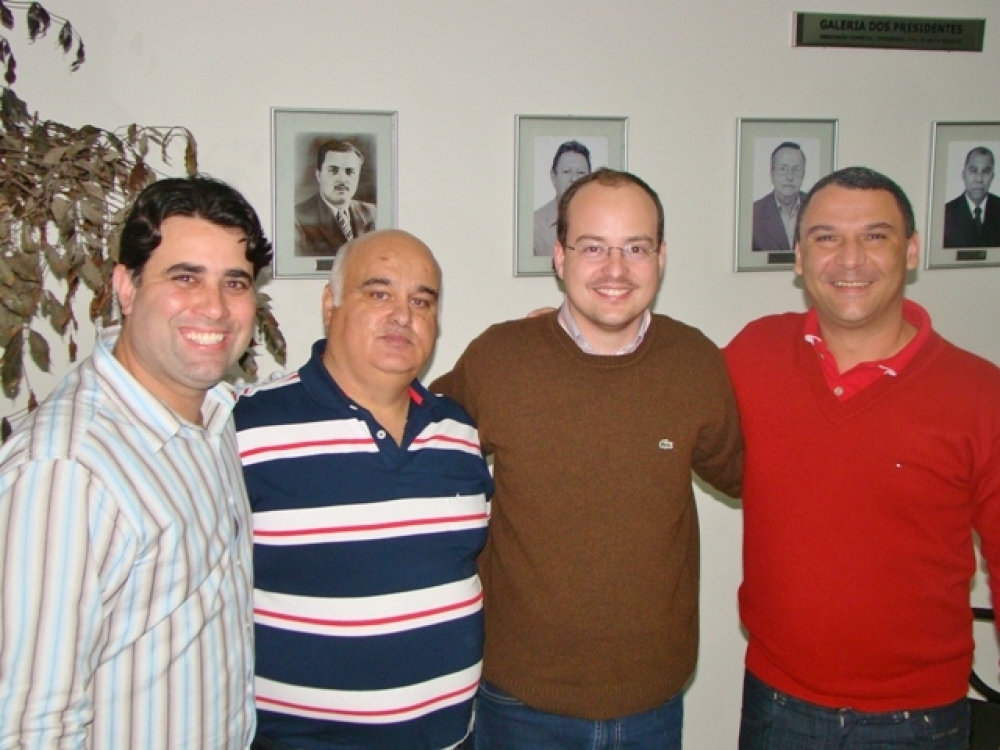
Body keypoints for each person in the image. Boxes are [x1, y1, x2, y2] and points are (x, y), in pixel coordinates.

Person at [433, 168, 744, 749]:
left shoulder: (695, 363)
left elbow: (751, 473)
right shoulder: (502, 360)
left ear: (661, 258)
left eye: (636, 248)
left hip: (653, 697)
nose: (615, 270)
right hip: (520, 697)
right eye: (593, 247)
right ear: (560, 257)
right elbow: (416, 448)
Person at [726, 166, 1000, 749]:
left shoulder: (981, 394)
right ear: (800, 257)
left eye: (875, 236)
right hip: (776, 704)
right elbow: (661, 388)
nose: (850, 260)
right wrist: (570, 336)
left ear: (911, 251)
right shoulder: (755, 352)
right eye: (827, 237)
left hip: (919, 720)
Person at [0, 175, 272, 748]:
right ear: (126, 288)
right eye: (185, 278)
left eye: (234, 282)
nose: (215, 307)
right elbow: (29, 725)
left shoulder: (214, 417)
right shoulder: (67, 469)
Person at [235, 230, 493, 750]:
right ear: (330, 304)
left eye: (421, 301)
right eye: (379, 293)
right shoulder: (248, 428)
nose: (403, 316)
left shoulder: (459, 431)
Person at [295, 139, 377, 257]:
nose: (342, 179)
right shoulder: (297, 218)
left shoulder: (372, 213)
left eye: (350, 172)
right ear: (319, 175)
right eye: (333, 170)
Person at [533, 139, 592, 256]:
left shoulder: (601, 220)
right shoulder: (534, 226)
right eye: (566, 172)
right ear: (553, 176)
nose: (573, 179)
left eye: (580, 173)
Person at [752, 141, 806, 252]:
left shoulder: (816, 207)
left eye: (796, 169)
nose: (790, 177)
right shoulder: (754, 213)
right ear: (772, 174)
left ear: (803, 175)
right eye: (783, 169)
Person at [943, 145, 1000, 248]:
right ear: (963, 175)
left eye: (985, 171)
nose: (979, 179)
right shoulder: (947, 213)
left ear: (992, 177)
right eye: (973, 170)